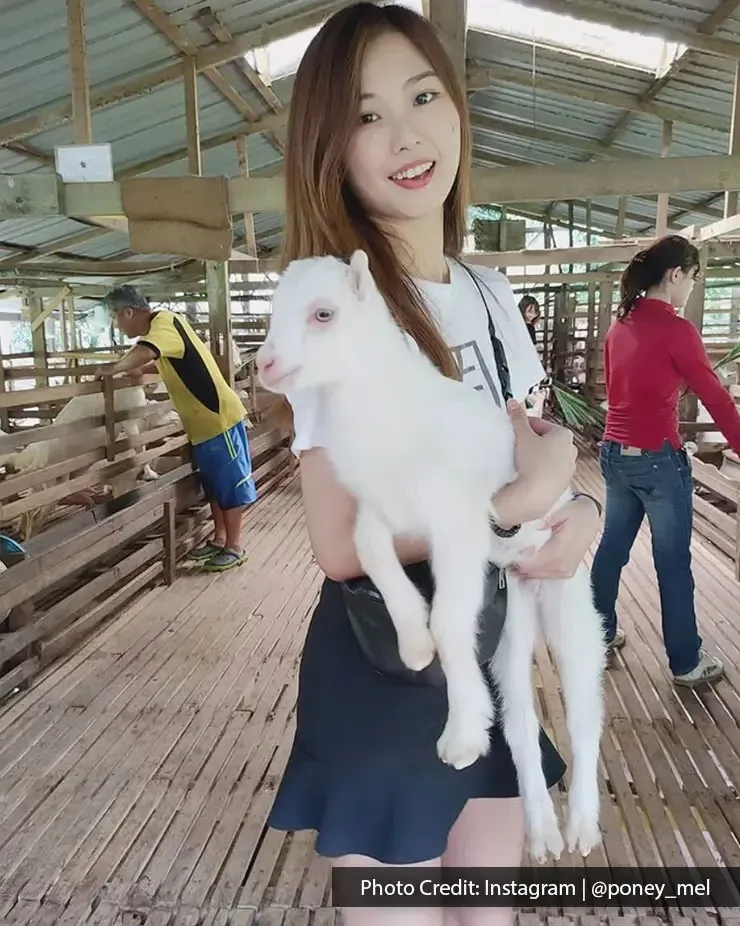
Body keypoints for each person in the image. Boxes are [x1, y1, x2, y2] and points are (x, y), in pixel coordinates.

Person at [264, 6, 603, 924]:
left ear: (456, 109)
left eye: (422, 99)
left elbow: (544, 451)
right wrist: (510, 505)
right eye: (367, 116)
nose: (405, 136)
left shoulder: (490, 295)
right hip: (387, 667)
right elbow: (339, 543)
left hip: (486, 658)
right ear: (329, 149)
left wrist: (580, 512)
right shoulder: (335, 303)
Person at [591, 234, 740, 688]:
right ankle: (686, 662)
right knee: (672, 562)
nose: (691, 287)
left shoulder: (620, 326)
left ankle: (597, 636)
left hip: (614, 453)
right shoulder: (677, 330)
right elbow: (716, 397)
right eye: (692, 278)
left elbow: (616, 389)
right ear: (675, 275)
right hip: (657, 460)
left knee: (612, 549)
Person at [98, 284, 257, 572]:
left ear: (128, 312)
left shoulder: (164, 322)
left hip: (218, 418)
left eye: (115, 317)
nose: (116, 325)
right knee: (213, 486)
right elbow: (167, 361)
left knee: (229, 484)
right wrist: (137, 369)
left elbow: (145, 353)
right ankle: (220, 539)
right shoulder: (161, 332)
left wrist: (113, 368)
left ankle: (235, 546)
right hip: (202, 425)